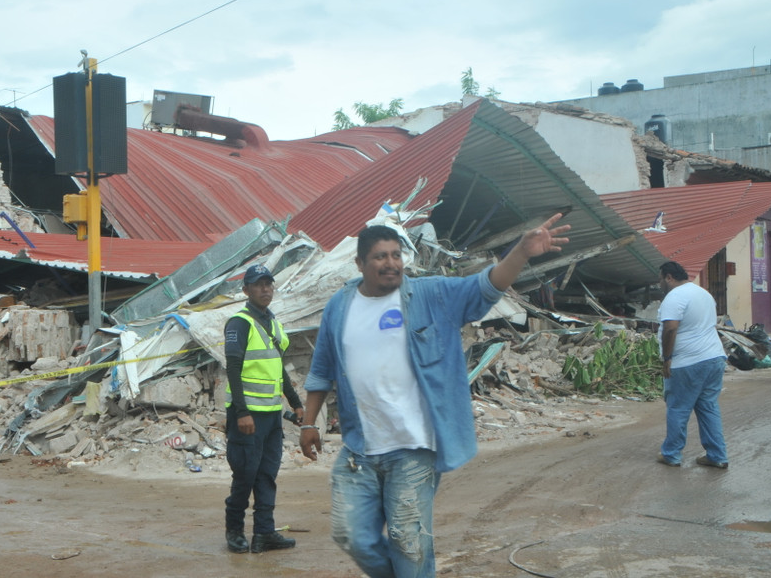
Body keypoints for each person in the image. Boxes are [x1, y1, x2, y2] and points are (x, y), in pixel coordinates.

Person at [300, 214, 570, 577]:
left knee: (408, 543)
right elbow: (321, 369)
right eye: (380, 256)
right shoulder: (340, 305)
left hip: (413, 446)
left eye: (396, 255)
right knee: (351, 534)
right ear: (360, 263)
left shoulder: (432, 295)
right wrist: (308, 424)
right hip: (360, 447)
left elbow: (485, 287)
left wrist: (520, 252)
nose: (391, 263)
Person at [223, 264, 304, 554]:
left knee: (267, 474)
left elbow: (277, 367)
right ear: (246, 290)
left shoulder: (273, 322)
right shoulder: (239, 323)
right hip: (247, 416)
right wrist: (242, 412)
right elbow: (233, 369)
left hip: (271, 415)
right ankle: (234, 531)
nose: (265, 289)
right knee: (245, 474)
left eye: (268, 284)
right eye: (258, 284)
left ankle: (264, 533)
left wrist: (295, 402)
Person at [656, 260, 729, 469]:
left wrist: (667, 359)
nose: (660, 284)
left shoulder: (674, 296)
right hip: (714, 358)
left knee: (678, 408)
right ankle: (717, 456)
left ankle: (671, 454)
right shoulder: (704, 294)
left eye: (660, 279)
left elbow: (670, 328)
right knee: (708, 407)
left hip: (687, 361)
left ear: (669, 277)